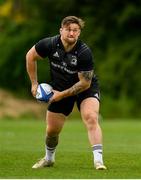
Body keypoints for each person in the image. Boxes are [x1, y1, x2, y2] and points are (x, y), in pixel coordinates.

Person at [26, 16, 107, 170]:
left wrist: (60, 95)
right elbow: (30, 56)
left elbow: (85, 83)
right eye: (68, 29)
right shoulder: (49, 44)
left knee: (91, 117)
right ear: (61, 30)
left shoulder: (84, 52)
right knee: (52, 130)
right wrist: (34, 83)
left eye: (75, 30)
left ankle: (98, 161)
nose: (71, 33)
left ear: (79, 33)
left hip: (85, 88)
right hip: (60, 87)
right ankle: (49, 159)